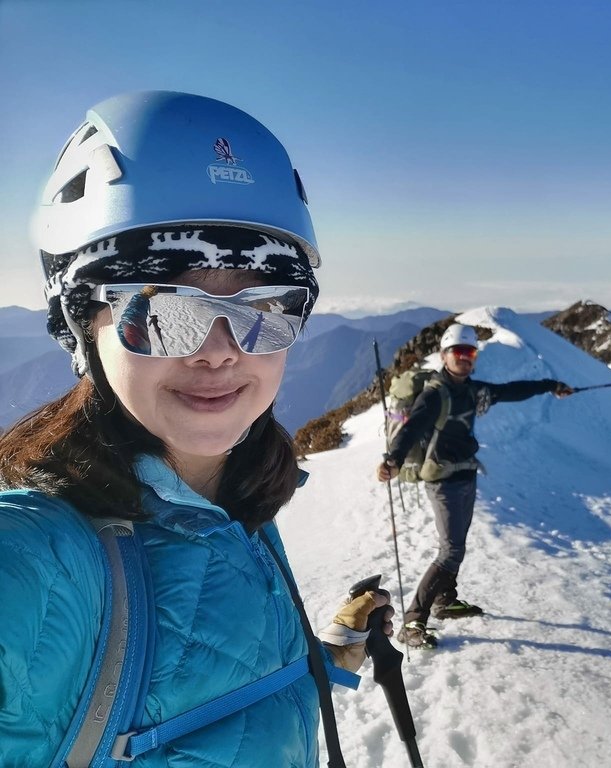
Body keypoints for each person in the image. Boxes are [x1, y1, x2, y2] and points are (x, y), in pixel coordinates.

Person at [0, 91, 392, 766]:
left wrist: (332, 651)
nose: (220, 349)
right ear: (81, 326)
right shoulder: (36, 560)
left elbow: (225, 689)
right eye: (164, 310)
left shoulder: (242, 505)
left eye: (266, 307)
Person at [376, 323, 573, 649]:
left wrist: (550, 385)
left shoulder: (472, 390)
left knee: (457, 546)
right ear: (444, 355)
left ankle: (444, 601)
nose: (465, 358)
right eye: (459, 352)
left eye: (470, 352)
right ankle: (413, 622)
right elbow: (412, 429)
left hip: (465, 474)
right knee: (450, 550)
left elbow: (511, 391)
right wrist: (393, 459)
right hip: (442, 480)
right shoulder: (435, 394)